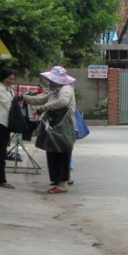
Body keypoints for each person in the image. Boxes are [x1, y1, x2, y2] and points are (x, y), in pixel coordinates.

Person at [22, 66, 76, 194]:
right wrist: (24, 98)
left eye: (51, 80)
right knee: (53, 151)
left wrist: (43, 108)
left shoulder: (66, 89)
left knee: (62, 153)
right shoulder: (55, 91)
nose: (49, 82)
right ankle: (57, 180)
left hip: (63, 126)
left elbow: (63, 102)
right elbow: (41, 99)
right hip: (54, 125)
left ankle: (63, 183)